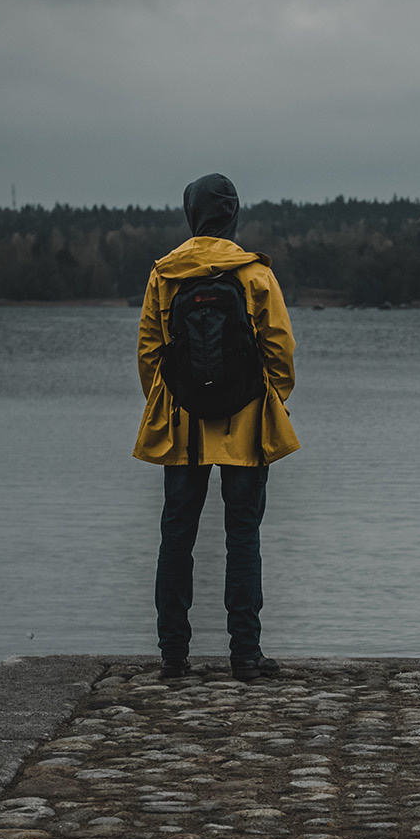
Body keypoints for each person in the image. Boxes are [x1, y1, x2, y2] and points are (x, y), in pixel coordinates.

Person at [134, 173, 300, 681]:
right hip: (245, 425)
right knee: (243, 536)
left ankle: (172, 656)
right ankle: (245, 655)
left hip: (182, 428)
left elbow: (149, 352)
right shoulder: (255, 274)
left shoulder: (165, 274)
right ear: (231, 216)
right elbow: (281, 352)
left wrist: (172, 402)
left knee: (176, 537)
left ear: (191, 214)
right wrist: (269, 402)